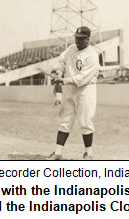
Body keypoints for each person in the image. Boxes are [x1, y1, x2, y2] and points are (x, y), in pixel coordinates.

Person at [47, 26, 100, 160]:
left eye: (81, 39)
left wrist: (62, 80)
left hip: (85, 90)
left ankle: (88, 153)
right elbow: (61, 61)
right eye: (76, 38)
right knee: (65, 118)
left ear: (88, 39)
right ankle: (58, 153)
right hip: (69, 89)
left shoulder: (92, 55)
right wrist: (59, 71)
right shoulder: (71, 48)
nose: (77, 41)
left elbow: (82, 79)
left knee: (85, 121)